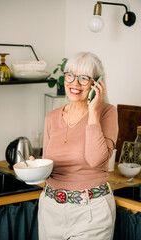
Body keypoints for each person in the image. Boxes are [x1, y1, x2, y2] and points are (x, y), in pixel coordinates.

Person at [31, 52, 118, 240]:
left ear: (97, 83)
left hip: (91, 212)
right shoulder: (51, 117)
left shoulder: (107, 113)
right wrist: (36, 167)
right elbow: (51, 164)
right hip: (50, 209)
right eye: (70, 75)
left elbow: (96, 160)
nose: (74, 83)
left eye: (84, 78)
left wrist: (93, 111)